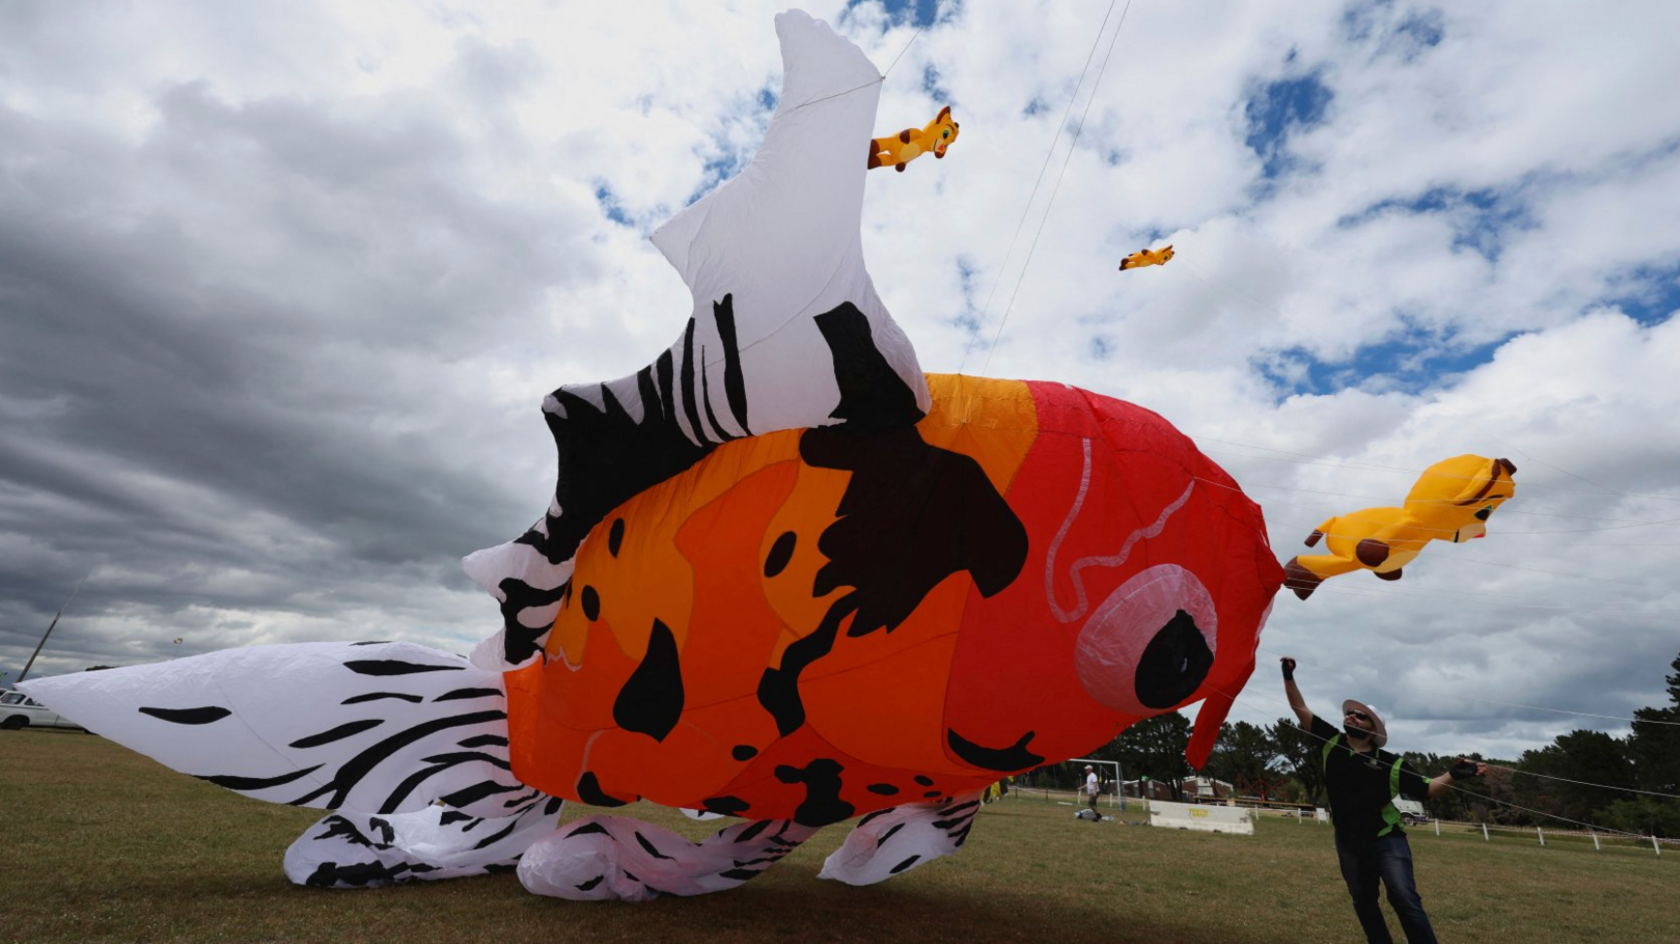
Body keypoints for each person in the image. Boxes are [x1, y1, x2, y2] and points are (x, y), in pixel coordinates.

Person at [1281, 656, 1486, 944]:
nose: (1351, 715)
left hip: (1386, 839)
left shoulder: (1392, 763)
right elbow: (1299, 707)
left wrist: (1452, 774)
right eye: (1350, 712)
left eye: (1359, 715)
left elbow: (1427, 789)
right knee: (1363, 901)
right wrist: (1288, 676)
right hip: (1348, 840)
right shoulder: (1332, 743)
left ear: (1373, 729)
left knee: (1403, 897)